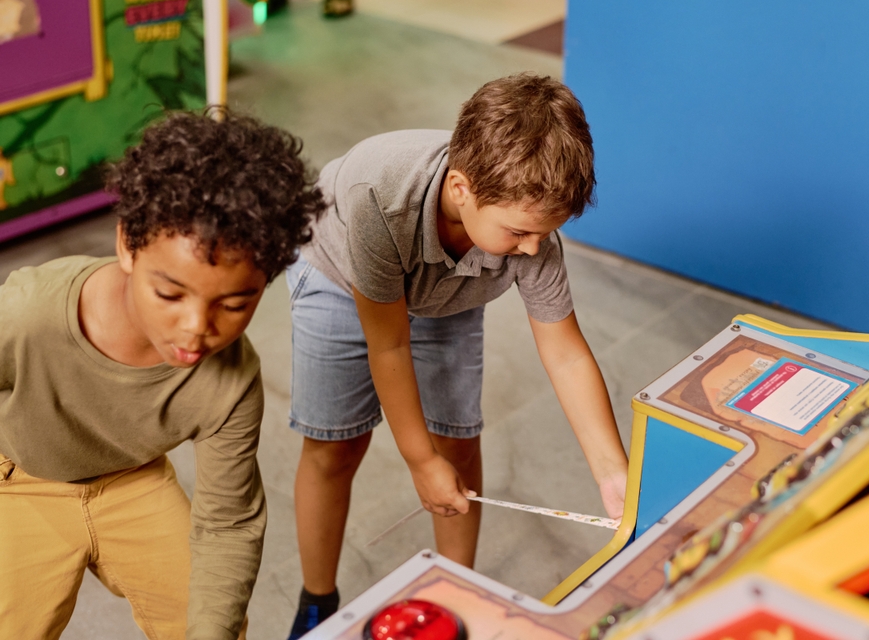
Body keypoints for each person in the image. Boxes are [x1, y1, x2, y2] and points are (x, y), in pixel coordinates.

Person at [285, 73, 630, 638]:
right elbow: (389, 343)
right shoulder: (378, 197)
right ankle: (317, 600)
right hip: (339, 278)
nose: (533, 249)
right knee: (334, 446)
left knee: (457, 441)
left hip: (449, 293)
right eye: (520, 232)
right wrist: (419, 464)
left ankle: (455, 590)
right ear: (463, 188)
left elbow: (565, 354)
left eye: (545, 234)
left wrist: (612, 471)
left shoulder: (527, 229)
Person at [0, 110, 326, 640]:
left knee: (215, 626)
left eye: (236, 303)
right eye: (170, 294)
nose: (197, 329)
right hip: (20, 483)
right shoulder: (26, 314)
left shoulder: (233, 381)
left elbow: (228, 523)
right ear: (127, 243)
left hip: (134, 481)